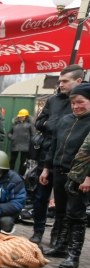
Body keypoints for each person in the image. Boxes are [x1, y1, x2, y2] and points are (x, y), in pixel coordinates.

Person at [30, 64, 84, 246]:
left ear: (78, 81)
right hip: (47, 154)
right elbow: (39, 122)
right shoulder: (53, 100)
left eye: (64, 81)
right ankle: (38, 232)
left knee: (64, 203)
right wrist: (59, 126)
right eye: (60, 81)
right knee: (40, 196)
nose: (60, 84)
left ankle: (58, 237)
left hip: (72, 160)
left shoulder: (84, 102)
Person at [40, 82, 90, 268]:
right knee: (60, 212)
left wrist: (88, 177)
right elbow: (54, 145)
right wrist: (46, 168)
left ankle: (73, 254)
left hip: (79, 176)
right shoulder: (66, 120)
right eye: (73, 103)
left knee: (76, 215)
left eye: (81, 102)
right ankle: (61, 246)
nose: (76, 106)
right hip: (59, 172)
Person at [7, 108, 36, 174]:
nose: (21, 117)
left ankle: (21, 175)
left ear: (26, 116)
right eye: (20, 116)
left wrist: (30, 142)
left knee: (23, 162)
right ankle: (9, 174)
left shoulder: (30, 125)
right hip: (15, 145)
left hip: (25, 146)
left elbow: (33, 135)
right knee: (12, 161)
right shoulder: (15, 124)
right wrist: (12, 137)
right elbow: (9, 133)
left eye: (22, 116)